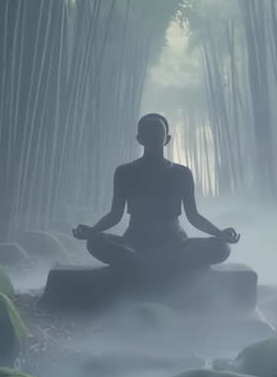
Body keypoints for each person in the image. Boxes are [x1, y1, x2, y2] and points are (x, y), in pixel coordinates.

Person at [72, 113, 239, 272]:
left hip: (175, 242)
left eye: (158, 133)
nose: (153, 138)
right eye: (148, 133)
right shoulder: (125, 172)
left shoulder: (182, 173)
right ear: (140, 139)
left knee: (221, 247)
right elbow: (115, 215)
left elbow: (193, 216)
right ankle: (157, 262)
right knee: (95, 242)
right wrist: (93, 232)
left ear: (167, 139)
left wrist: (219, 234)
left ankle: (143, 262)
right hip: (134, 241)